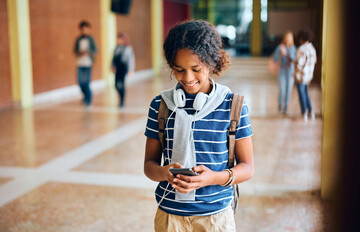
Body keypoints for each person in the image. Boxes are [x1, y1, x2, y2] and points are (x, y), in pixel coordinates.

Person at [144, 20, 254, 231]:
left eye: (196, 69)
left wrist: (214, 178)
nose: (188, 78)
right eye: (179, 69)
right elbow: (149, 165)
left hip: (215, 219)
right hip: (170, 218)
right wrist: (164, 172)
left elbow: (247, 168)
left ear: (211, 63)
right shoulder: (160, 106)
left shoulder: (233, 105)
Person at [294, 29, 317, 122]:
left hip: (300, 76)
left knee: (301, 94)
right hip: (308, 76)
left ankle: (304, 112)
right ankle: (311, 111)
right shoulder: (312, 49)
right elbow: (313, 63)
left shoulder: (301, 49)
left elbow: (299, 63)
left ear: (302, 38)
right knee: (306, 93)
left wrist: (296, 65)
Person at [272, 31, 297, 115]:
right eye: (287, 39)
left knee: (288, 90)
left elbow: (294, 60)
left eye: (290, 39)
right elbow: (275, 59)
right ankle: (280, 106)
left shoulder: (293, 48)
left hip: (290, 72)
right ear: (284, 39)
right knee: (282, 90)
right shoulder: (280, 47)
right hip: (282, 71)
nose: (288, 41)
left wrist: (286, 54)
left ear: (292, 39)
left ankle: (286, 107)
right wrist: (280, 54)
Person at [74, 20, 97, 106]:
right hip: (80, 63)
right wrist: (80, 53)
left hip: (88, 63)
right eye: (83, 29)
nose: (84, 31)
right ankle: (86, 95)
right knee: (80, 82)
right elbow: (75, 51)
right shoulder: (78, 39)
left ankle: (88, 98)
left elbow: (95, 50)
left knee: (87, 82)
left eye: (86, 29)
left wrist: (88, 52)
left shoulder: (91, 39)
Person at [111, 33, 135, 107]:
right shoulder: (116, 48)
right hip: (117, 68)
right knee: (116, 84)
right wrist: (112, 66)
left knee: (122, 84)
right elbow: (113, 59)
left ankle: (122, 100)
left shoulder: (128, 48)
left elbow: (130, 60)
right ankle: (120, 96)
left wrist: (130, 69)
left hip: (123, 68)